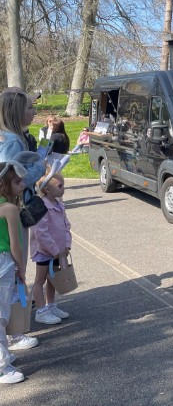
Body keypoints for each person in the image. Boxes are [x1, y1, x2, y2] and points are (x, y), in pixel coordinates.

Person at [0, 89, 46, 352]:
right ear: (17, 111)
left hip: (12, 209)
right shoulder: (13, 141)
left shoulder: (10, 138)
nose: (34, 112)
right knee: (15, 269)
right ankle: (13, 334)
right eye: (30, 107)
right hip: (14, 210)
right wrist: (40, 164)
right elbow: (14, 178)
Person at [30, 171, 71, 325]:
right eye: (60, 186)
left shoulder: (59, 204)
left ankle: (51, 305)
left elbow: (66, 225)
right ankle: (41, 311)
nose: (63, 189)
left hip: (58, 251)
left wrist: (66, 245)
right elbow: (41, 233)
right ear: (47, 190)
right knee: (40, 279)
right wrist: (55, 251)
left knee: (52, 279)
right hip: (44, 251)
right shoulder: (42, 207)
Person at [0, 161, 28, 384]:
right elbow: (15, 245)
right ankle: (2, 367)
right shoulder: (9, 209)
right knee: (1, 316)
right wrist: (21, 269)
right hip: (3, 264)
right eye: (17, 181)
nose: (23, 185)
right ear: (3, 185)